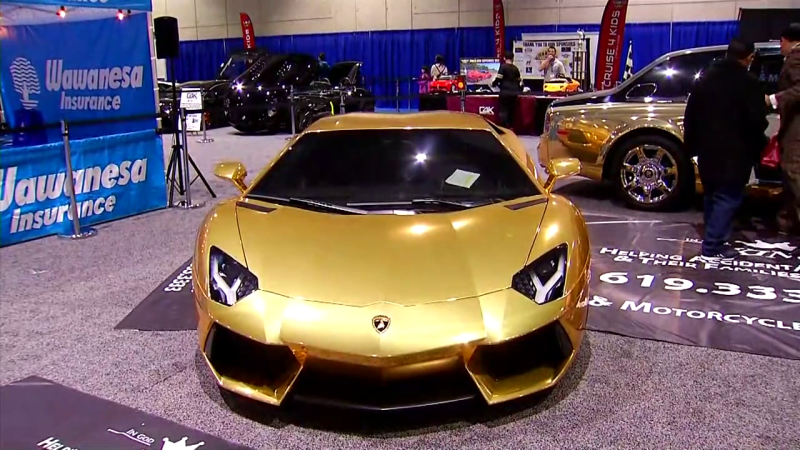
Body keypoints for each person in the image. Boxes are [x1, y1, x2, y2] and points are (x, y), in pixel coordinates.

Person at [684, 38, 769, 261]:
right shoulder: (749, 83)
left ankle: (714, 238)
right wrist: (758, 143)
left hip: (707, 150)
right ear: (749, 57)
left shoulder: (706, 78)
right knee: (728, 197)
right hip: (735, 151)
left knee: (712, 194)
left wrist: (691, 145)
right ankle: (713, 245)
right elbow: (756, 120)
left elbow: (690, 115)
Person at [767, 23, 800, 235]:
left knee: (794, 172)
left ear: (788, 40)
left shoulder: (797, 58)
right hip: (791, 125)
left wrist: (773, 99)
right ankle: (788, 221)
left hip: (797, 129)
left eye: (781, 41)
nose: (780, 46)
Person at [492, 50, 523, 128]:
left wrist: (493, 84)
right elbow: (519, 82)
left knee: (504, 110)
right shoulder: (516, 68)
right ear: (513, 58)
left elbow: (499, 78)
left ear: (504, 58)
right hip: (514, 93)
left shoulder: (503, 67)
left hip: (505, 92)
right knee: (511, 111)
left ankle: (504, 128)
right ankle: (511, 127)